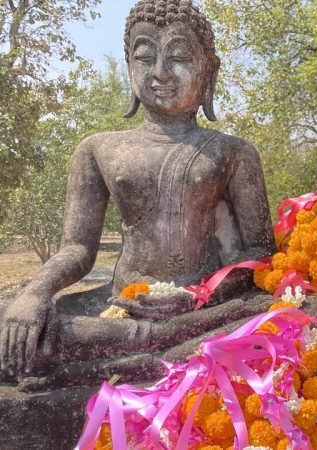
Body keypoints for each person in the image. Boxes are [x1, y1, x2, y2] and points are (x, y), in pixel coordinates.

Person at [0, 0, 274, 378]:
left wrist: (198, 296)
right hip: (121, 304)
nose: (160, 72)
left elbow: (260, 252)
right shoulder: (98, 148)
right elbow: (77, 249)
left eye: (179, 57)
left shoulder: (233, 152)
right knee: (12, 323)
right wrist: (35, 292)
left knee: (280, 314)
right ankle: (158, 353)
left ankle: (148, 354)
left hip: (202, 309)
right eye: (145, 57)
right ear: (129, 64)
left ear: (209, 70)